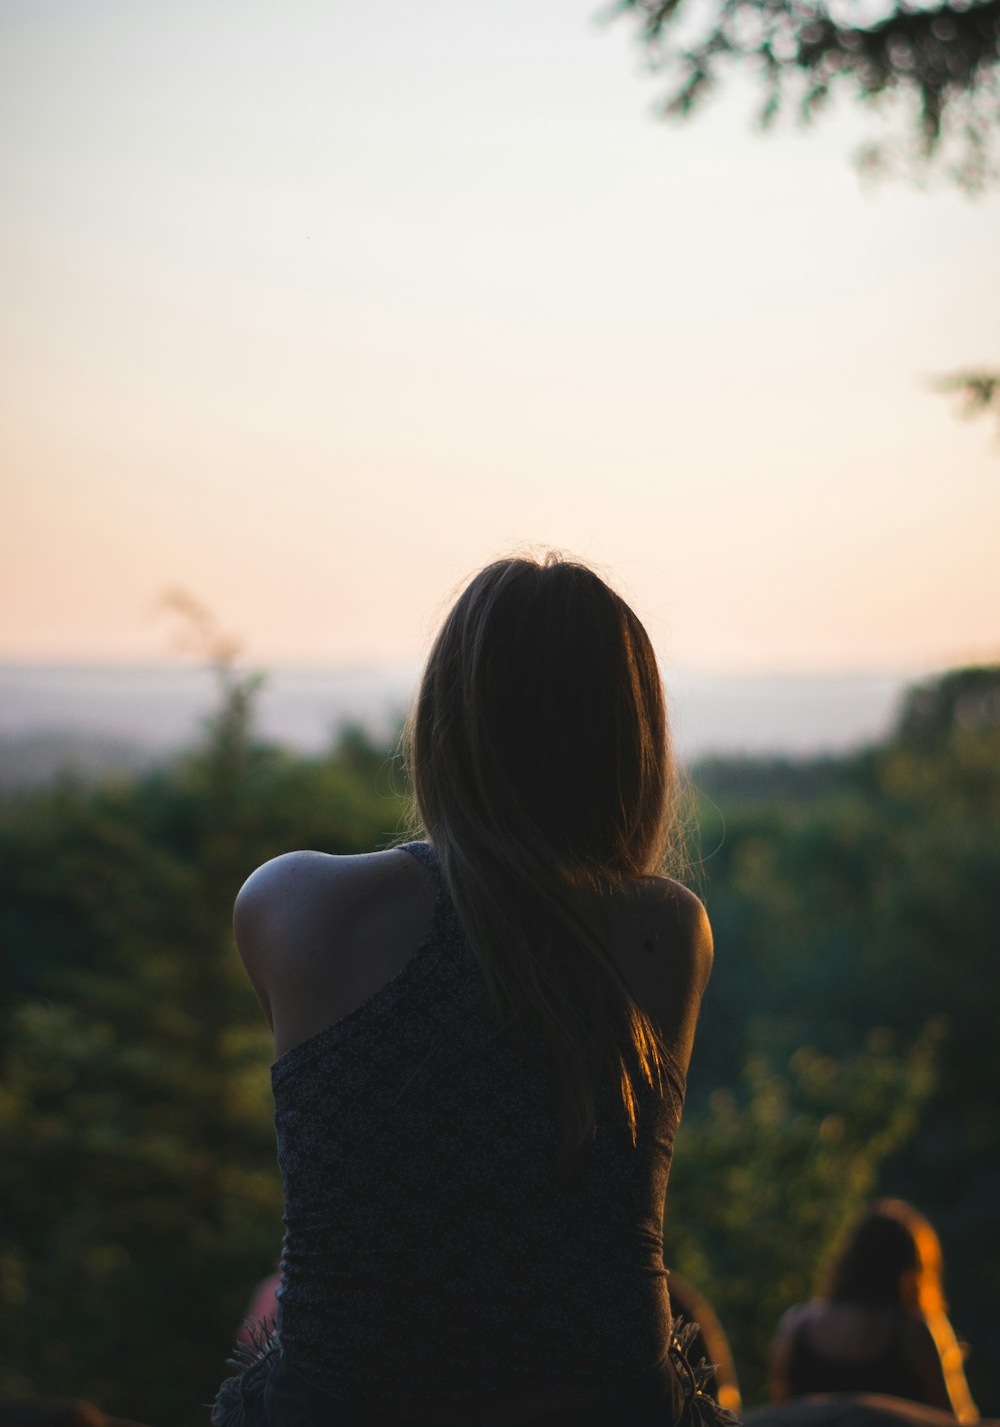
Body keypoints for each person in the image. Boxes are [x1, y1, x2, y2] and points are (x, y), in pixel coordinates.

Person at [212, 553, 723, 1426]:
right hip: (601, 1407)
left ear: (444, 723)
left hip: (344, 1405)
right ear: (629, 743)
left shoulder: (292, 904)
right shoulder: (664, 933)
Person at [769, 1199, 978, 1422]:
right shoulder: (914, 1330)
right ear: (912, 1269)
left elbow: (782, 1412)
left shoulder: (797, 1324)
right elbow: (954, 1418)